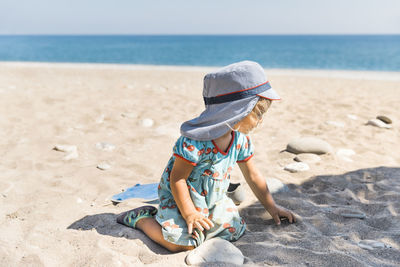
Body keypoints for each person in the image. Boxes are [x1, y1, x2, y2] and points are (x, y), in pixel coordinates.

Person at [117, 61, 296, 252]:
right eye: (258, 113)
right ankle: (142, 219)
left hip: (212, 201)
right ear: (235, 110)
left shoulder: (240, 140)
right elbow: (177, 179)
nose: (261, 121)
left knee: (235, 231)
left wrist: (272, 207)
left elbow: (253, 176)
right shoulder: (195, 143)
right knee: (179, 244)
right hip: (182, 200)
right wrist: (189, 214)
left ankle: (189, 217)